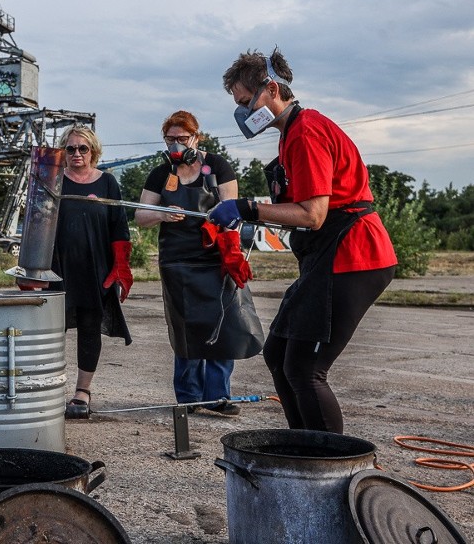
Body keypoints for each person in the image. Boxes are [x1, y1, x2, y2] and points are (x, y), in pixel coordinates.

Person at [213, 48, 397, 433]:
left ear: (273, 89)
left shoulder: (306, 132)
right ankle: (303, 451)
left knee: (306, 368)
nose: (243, 112)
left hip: (353, 253)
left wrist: (248, 208)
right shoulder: (290, 134)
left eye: (246, 102)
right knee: (279, 354)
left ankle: (330, 466)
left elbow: (312, 214)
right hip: (328, 254)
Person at [135, 111, 264, 416]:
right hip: (176, 261)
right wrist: (163, 214)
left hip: (214, 257)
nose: (176, 144)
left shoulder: (216, 166)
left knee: (225, 322)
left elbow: (231, 211)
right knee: (186, 328)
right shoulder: (160, 172)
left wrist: (224, 231)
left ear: (196, 136)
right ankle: (189, 397)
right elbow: (141, 216)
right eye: (170, 139)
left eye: (182, 138)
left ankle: (218, 396)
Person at [47, 126, 133, 419]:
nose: (76, 154)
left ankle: (82, 391)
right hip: (57, 268)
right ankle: (47, 389)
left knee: (89, 328)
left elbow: (119, 227)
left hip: (95, 268)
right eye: (70, 149)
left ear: (93, 151)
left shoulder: (107, 182)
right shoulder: (54, 181)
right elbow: (37, 219)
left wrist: (121, 266)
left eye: (82, 148)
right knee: (49, 331)